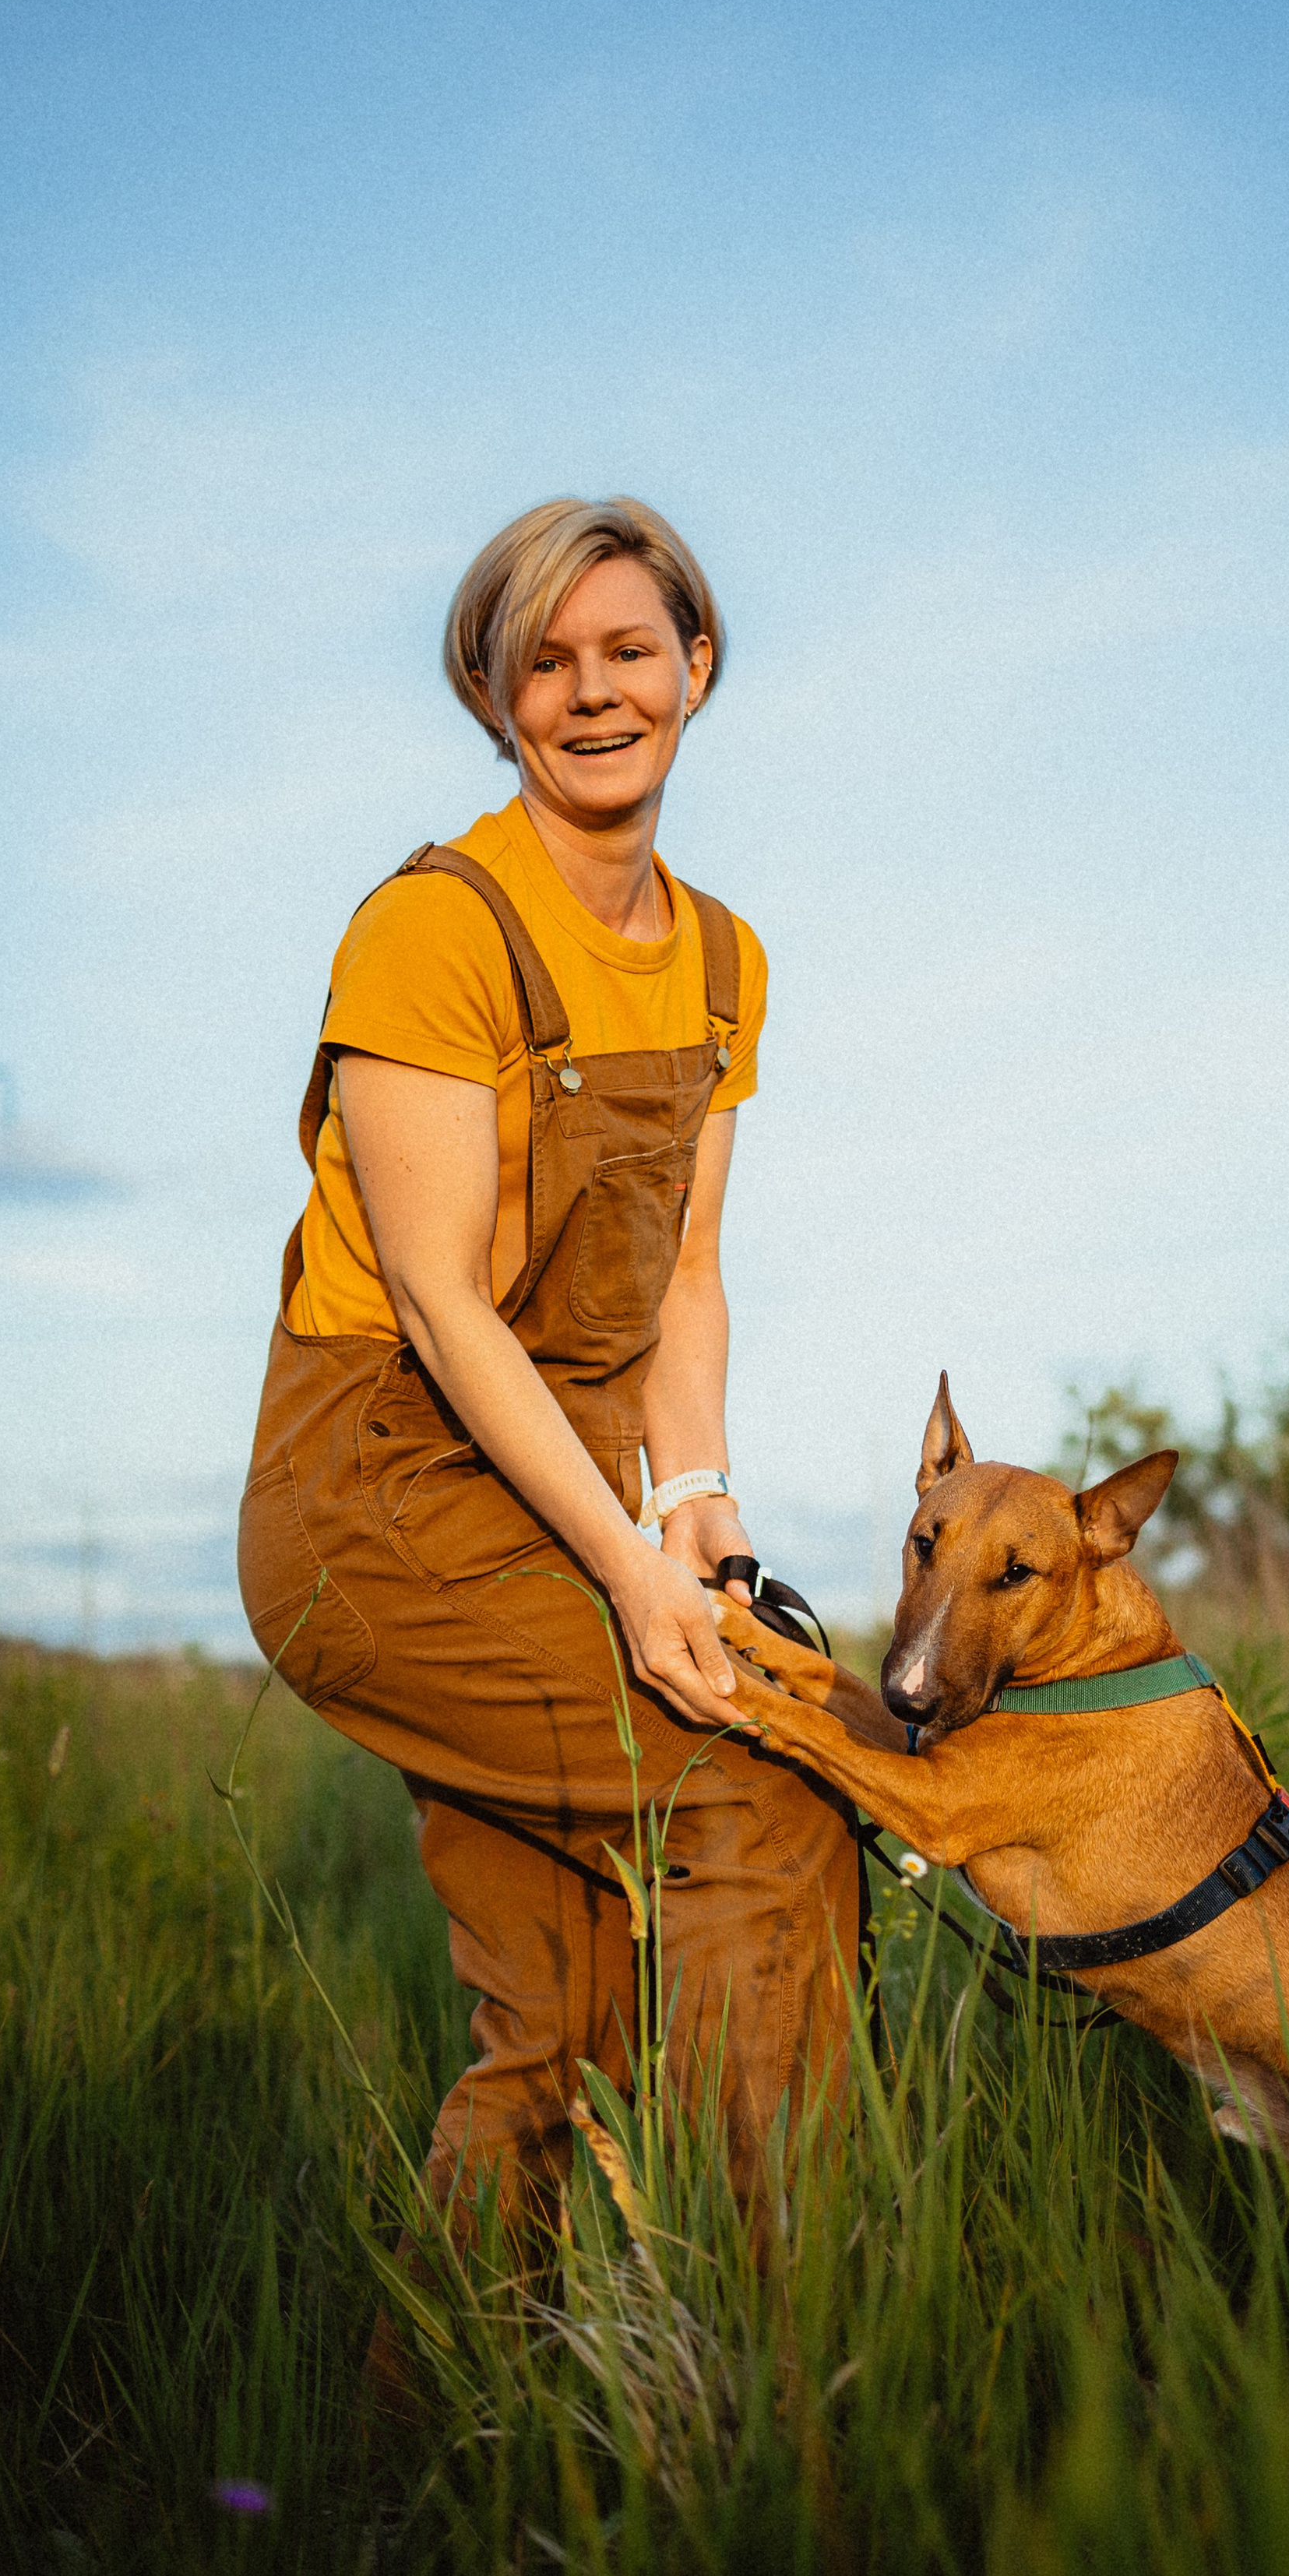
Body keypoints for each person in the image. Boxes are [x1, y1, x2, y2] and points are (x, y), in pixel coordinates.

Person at [238, 494, 861, 2250]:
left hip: (564, 1484)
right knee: (758, 1790)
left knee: (562, 2023)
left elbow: (677, 1274)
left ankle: (433, 2469)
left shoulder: (725, 958)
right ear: (492, 693)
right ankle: (780, 2332)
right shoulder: (433, 928)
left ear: (697, 668)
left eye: (628, 653)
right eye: (545, 662)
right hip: (375, 1495)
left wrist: (704, 1526)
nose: (593, 694)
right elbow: (440, 1305)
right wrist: (626, 1575)